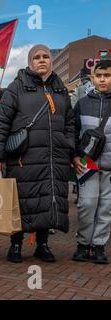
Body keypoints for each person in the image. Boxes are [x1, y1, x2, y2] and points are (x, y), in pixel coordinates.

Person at [0, 44, 76, 263]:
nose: (41, 60)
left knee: (48, 200)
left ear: (51, 61)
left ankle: (42, 245)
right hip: (24, 159)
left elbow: (70, 123)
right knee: (21, 202)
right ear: (30, 62)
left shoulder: (60, 89)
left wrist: (69, 147)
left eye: (46, 56)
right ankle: (16, 245)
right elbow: (1, 123)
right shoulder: (16, 87)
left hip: (54, 158)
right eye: (36, 57)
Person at [72, 59, 111, 264]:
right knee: (86, 204)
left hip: (110, 167)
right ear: (93, 77)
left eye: (108, 75)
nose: (103, 79)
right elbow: (72, 131)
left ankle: (99, 246)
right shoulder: (82, 103)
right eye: (100, 75)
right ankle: (83, 243)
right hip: (87, 164)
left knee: (106, 207)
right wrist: (75, 155)